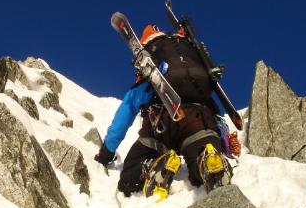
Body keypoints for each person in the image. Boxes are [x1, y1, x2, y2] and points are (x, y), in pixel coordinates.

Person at [94, 23, 236, 198]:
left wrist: (106, 153)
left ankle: (151, 168)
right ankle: (206, 161)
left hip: (162, 124)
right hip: (200, 119)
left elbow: (124, 117)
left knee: (129, 174)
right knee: (202, 153)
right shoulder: (192, 63)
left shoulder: (147, 78)